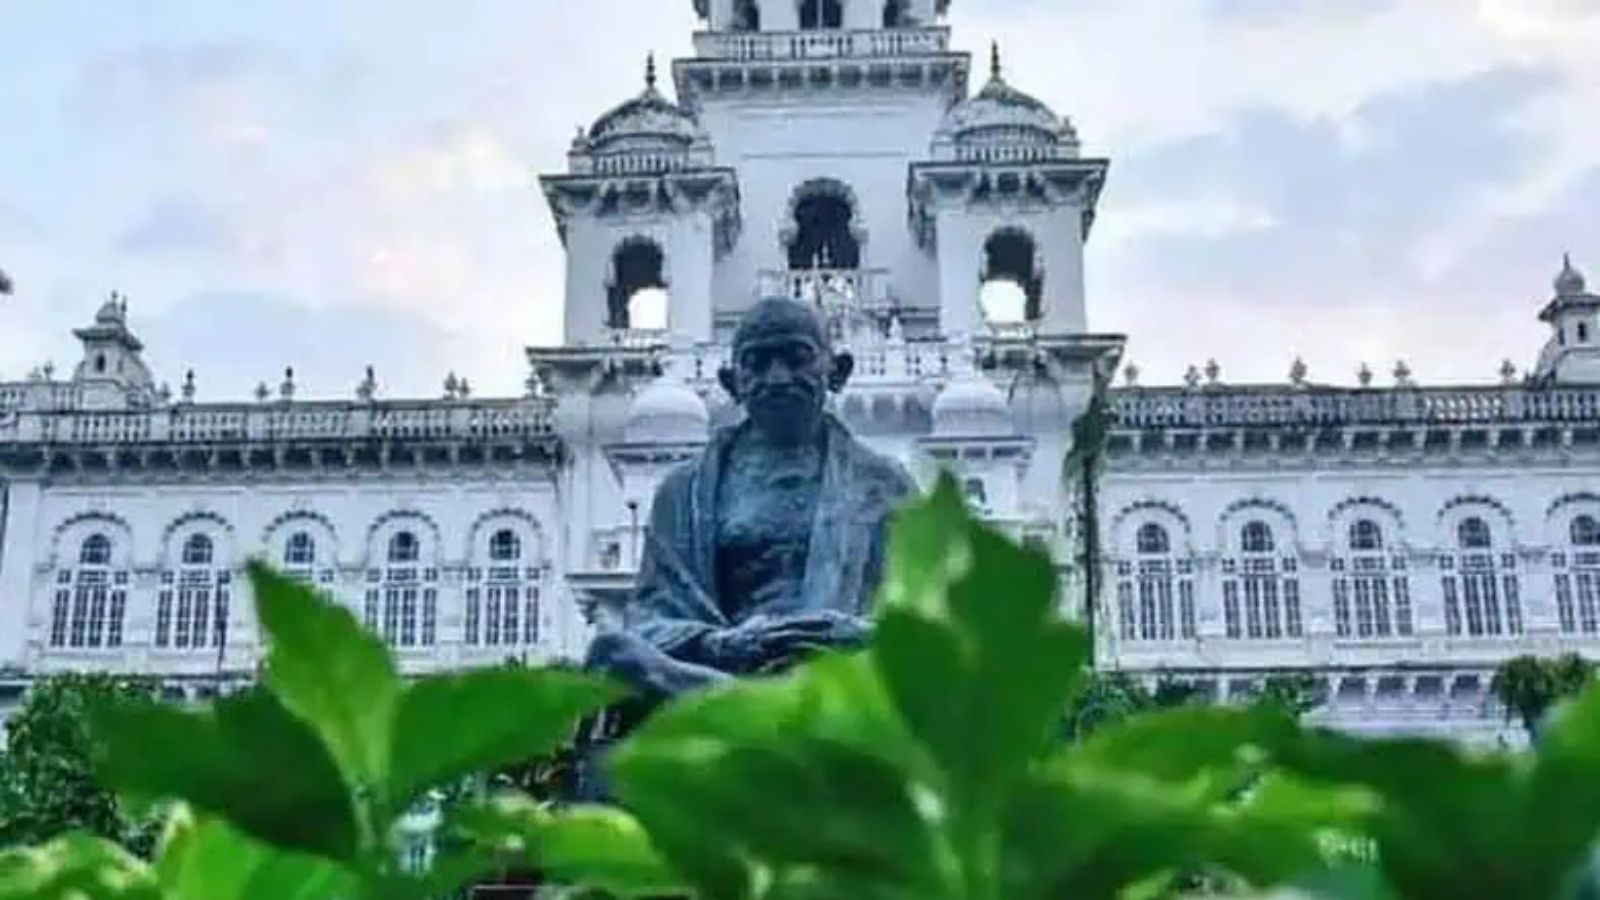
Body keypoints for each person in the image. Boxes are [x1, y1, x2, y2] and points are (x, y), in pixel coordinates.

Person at [586, 296, 917, 700]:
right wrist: (724, 645)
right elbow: (651, 619)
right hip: (723, 675)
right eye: (757, 363)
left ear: (836, 371)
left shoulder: (884, 485)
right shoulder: (683, 491)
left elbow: (923, 615)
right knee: (613, 653)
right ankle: (762, 705)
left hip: (839, 676)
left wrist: (840, 633)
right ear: (732, 383)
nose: (777, 377)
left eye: (797, 358)